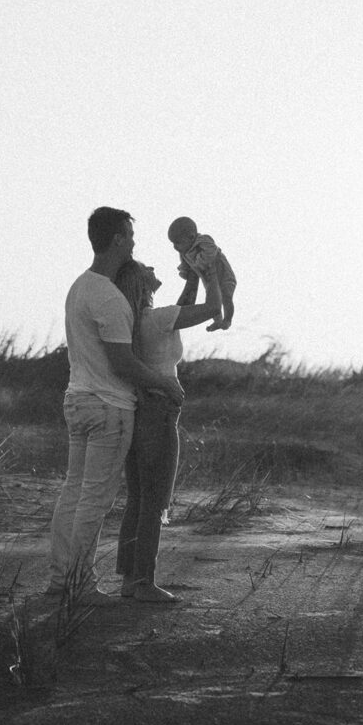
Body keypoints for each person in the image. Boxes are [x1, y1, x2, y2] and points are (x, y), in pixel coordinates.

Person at [47, 207, 185, 603]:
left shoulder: (80, 287)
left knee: (73, 492)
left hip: (77, 399)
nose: (134, 242)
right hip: (109, 406)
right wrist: (164, 384)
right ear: (118, 239)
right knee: (95, 497)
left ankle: (62, 579)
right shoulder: (108, 296)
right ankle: (81, 583)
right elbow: (122, 363)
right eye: (130, 234)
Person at [113, 258, 221, 602]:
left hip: (139, 409)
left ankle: (131, 579)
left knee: (138, 498)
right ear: (141, 284)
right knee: (155, 500)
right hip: (160, 412)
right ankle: (144, 582)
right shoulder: (157, 320)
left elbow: (180, 311)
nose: (153, 269)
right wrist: (209, 271)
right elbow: (212, 307)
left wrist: (190, 280)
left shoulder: (138, 322)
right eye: (147, 269)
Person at [167, 216, 236, 331]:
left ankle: (228, 319)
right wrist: (185, 272)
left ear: (191, 237)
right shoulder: (184, 252)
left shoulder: (203, 241)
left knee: (226, 297)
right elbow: (186, 266)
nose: (175, 247)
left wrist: (199, 263)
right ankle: (218, 321)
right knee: (212, 300)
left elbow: (211, 252)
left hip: (224, 275)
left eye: (178, 243)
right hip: (208, 279)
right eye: (173, 243)